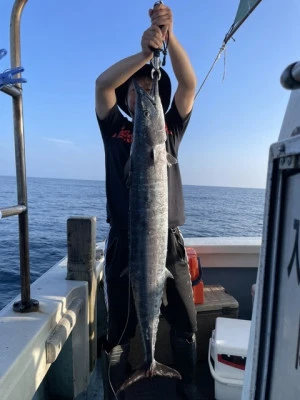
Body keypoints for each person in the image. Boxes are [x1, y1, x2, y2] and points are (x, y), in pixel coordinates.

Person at [95, 3, 198, 399]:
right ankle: (116, 391)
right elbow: (103, 85)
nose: (144, 92)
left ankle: (185, 385)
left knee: (185, 323)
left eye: (150, 86)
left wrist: (167, 40)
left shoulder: (168, 131)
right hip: (125, 241)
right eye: (137, 89)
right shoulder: (115, 129)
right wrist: (143, 54)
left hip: (167, 239)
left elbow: (188, 85)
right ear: (128, 100)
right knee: (119, 328)